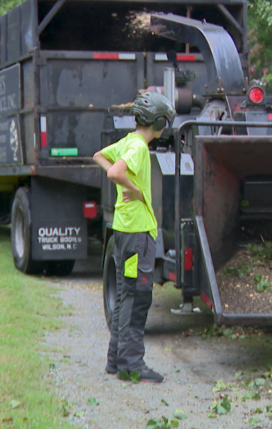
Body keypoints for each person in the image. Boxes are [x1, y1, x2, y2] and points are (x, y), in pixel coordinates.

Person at [92, 91, 175, 383]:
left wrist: (125, 183)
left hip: (124, 231)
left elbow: (99, 156)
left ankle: (116, 360)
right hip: (138, 234)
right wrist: (135, 189)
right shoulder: (138, 147)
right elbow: (114, 171)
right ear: (161, 121)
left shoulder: (128, 140)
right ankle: (132, 365)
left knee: (127, 294)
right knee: (138, 296)